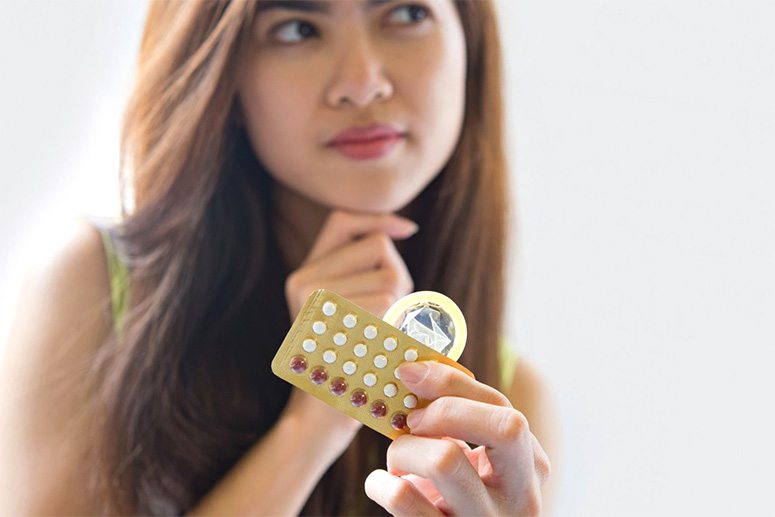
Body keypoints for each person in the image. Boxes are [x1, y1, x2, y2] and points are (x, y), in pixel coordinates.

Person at [0, 0, 558, 514]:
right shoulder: (90, 285)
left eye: (407, 12)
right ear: (225, 72)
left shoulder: (508, 404)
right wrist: (317, 417)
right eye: (297, 29)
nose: (362, 83)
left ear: (471, 46)